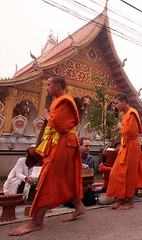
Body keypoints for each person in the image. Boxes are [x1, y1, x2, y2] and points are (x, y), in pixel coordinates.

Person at [9, 76, 86, 236]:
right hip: (63, 143)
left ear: (58, 86)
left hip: (64, 143)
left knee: (48, 178)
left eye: (49, 85)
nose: (47, 87)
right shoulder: (60, 101)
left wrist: (47, 116)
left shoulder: (65, 101)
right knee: (65, 177)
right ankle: (79, 207)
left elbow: (61, 125)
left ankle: (37, 221)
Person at [106, 94, 142, 210]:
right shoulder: (126, 115)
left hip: (132, 146)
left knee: (129, 174)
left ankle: (130, 200)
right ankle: (121, 198)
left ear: (124, 102)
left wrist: (121, 127)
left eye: (117, 103)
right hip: (125, 146)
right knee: (116, 173)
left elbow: (131, 132)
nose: (116, 106)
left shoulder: (132, 113)